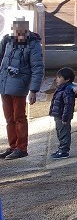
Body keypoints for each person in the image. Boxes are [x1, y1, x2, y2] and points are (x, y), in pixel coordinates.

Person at [0, 19, 44, 160]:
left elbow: (38, 68)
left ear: (26, 31)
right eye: (15, 32)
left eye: (20, 32)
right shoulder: (8, 41)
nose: (18, 35)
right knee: (9, 119)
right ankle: (13, 146)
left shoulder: (33, 44)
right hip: (4, 84)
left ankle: (21, 148)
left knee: (19, 118)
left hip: (20, 85)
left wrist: (34, 91)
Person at [49, 67, 77, 159]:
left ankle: (64, 151)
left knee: (64, 133)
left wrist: (65, 117)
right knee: (60, 132)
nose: (57, 79)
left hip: (62, 116)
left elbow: (68, 105)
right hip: (58, 115)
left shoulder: (67, 90)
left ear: (67, 79)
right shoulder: (62, 88)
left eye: (59, 77)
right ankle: (61, 148)